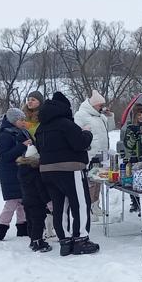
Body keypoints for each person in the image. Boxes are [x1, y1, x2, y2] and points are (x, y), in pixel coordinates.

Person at [36, 91, 99, 256]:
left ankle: (65, 241)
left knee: (59, 206)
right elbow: (80, 143)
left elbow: (39, 149)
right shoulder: (65, 124)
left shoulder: (41, 127)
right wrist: (87, 133)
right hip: (70, 169)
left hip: (47, 171)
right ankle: (80, 240)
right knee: (80, 203)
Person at [74, 89, 117, 222]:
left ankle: (96, 204)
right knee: (90, 182)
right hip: (90, 153)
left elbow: (110, 128)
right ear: (93, 104)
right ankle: (88, 207)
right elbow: (76, 132)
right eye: (100, 105)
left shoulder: (101, 116)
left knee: (99, 180)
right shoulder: (81, 115)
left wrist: (110, 117)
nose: (102, 107)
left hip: (102, 153)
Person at [0, 108, 30, 241]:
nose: (23, 122)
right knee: (11, 203)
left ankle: (22, 228)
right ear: (14, 120)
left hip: (20, 172)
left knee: (22, 202)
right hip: (10, 174)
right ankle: (1, 228)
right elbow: (5, 156)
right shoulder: (4, 135)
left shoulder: (22, 132)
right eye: (21, 120)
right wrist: (22, 146)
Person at [17, 140, 52, 252]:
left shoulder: (22, 170)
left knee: (30, 220)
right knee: (38, 221)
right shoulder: (35, 173)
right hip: (37, 201)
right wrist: (48, 201)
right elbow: (41, 190)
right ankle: (38, 241)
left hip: (27, 200)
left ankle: (32, 240)